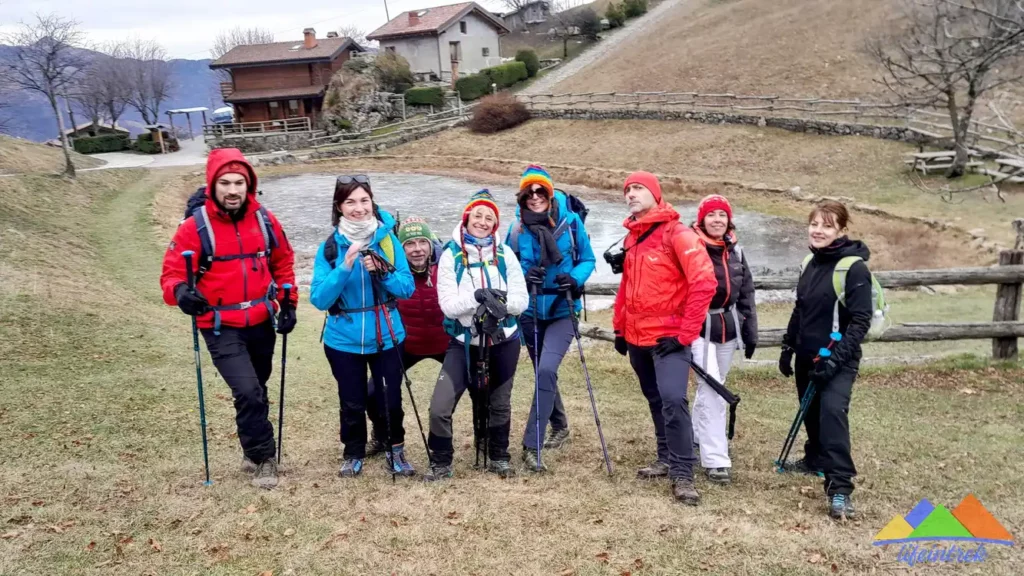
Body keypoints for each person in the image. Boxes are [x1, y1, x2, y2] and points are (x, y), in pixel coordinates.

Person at [160, 148, 297, 490]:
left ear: (249, 185)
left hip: (262, 320)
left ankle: (251, 451)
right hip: (219, 325)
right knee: (248, 390)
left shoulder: (265, 220)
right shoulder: (194, 228)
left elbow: (283, 262)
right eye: (225, 182)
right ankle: (265, 458)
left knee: (257, 388)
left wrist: (288, 302)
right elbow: (171, 273)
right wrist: (180, 293)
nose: (233, 189)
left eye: (239, 182)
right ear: (212, 184)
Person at [611, 171, 716, 505]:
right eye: (628, 190)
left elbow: (704, 283)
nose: (631, 194)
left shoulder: (679, 234)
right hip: (637, 335)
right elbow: (627, 286)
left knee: (673, 399)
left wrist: (685, 334)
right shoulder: (632, 237)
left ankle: (684, 473)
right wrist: (619, 327)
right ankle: (665, 456)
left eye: (638, 188)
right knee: (655, 398)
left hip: (669, 338)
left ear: (656, 194)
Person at [309, 175, 415, 478]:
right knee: (352, 400)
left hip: (388, 335)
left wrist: (383, 273)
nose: (358, 208)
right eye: (350, 202)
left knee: (390, 397)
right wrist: (344, 268)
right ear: (339, 207)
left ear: (372, 202)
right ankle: (353, 452)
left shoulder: (388, 240)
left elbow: (406, 288)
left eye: (364, 200)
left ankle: (395, 450)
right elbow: (318, 298)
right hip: (343, 338)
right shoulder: (330, 247)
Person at [424, 190, 528, 481]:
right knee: (440, 405)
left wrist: (498, 304)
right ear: (466, 217)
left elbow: (521, 301)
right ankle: (441, 462)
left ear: (496, 224)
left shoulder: (505, 254)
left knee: (499, 402)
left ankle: (499, 456)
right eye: (477, 215)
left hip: (503, 340)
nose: (482, 222)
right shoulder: (450, 256)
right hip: (463, 342)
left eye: (490, 218)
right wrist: (478, 296)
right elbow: (449, 307)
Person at [778, 200, 871, 520]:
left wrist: (834, 362)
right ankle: (814, 459)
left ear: (841, 231)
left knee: (832, 414)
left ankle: (841, 488)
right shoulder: (809, 262)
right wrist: (789, 346)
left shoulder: (854, 267)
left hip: (839, 358)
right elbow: (800, 308)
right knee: (811, 411)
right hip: (808, 353)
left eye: (827, 226)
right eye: (815, 224)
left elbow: (860, 321)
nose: (819, 231)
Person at [507, 165, 596, 472]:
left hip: (561, 309)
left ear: (549, 192)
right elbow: (507, 265)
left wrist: (573, 278)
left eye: (540, 190)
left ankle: (532, 445)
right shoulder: (516, 230)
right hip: (530, 313)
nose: (534, 197)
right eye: (528, 192)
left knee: (546, 369)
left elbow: (588, 259)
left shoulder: (571, 223)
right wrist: (522, 273)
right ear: (522, 197)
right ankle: (560, 425)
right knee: (543, 372)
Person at [364, 217, 448, 456]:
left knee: (479, 383)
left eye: (423, 241)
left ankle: (483, 438)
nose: (417, 249)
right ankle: (382, 436)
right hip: (406, 345)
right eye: (410, 244)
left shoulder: (447, 266)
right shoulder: (391, 272)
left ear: (432, 244)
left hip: (446, 343)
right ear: (401, 249)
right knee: (373, 392)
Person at [689, 194, 758, 486]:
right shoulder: (690, 247)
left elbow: (747, 293)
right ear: (701, 219)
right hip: (699, 327)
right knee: (714, 391)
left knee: (712, 388)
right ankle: (716, 459)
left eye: (722, 214)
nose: (717, 220)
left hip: (728, 328)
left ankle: (694, 435)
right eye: (711, 214)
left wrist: (750, 330)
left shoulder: (736, 251)